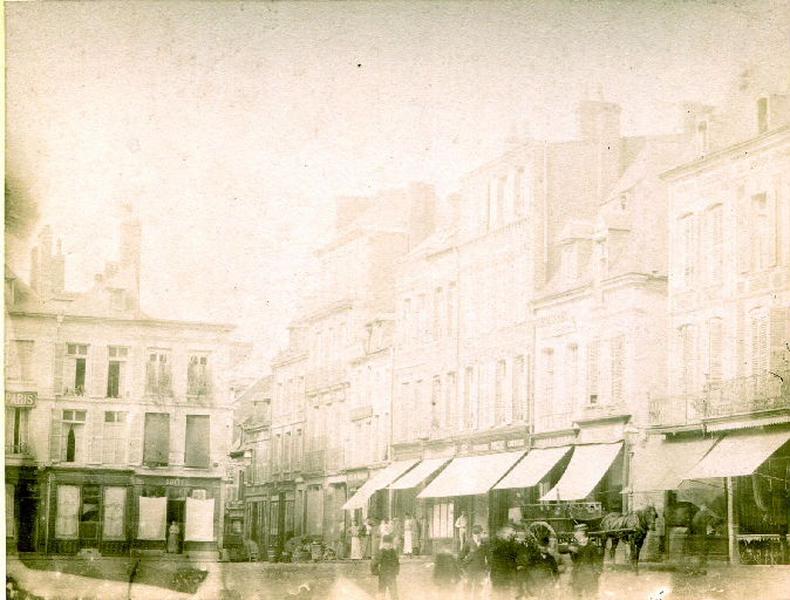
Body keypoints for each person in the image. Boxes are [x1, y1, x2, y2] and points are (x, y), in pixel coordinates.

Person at [568, 524, 604, 600]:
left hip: (590, 576)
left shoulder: (592, 546)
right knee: (576, 596)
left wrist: (596, 573)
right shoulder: (575, 545)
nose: (574, 534)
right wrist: (571, 551)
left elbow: (598, 561)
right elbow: (574, 560)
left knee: (591, 595)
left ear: (582, 533)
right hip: (577, 575)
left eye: (576, 532)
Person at [459, 525, 489, 600]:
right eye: (475, 534)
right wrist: (462, 568)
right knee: (468, 587)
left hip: (481, 569)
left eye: (479, 534)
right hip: (470, 569)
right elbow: (461, 556)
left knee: (479, 588)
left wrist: (487, 569)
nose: (477, 536)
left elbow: (489, 557)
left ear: (481, 534)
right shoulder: (468, 542)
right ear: (473, 534)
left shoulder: (485, 544)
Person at [372, 533, 400, 600]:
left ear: (391, 544)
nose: (388, 545)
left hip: (392, 575)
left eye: (389, 543)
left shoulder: (393, 552)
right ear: (383, 544)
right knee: (381, 591)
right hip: (383, 575)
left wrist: (396, 571)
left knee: (394, 592)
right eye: (386, 543)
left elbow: (397, 563)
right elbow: (374, 563)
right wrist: (376, 572)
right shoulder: (381, 552)